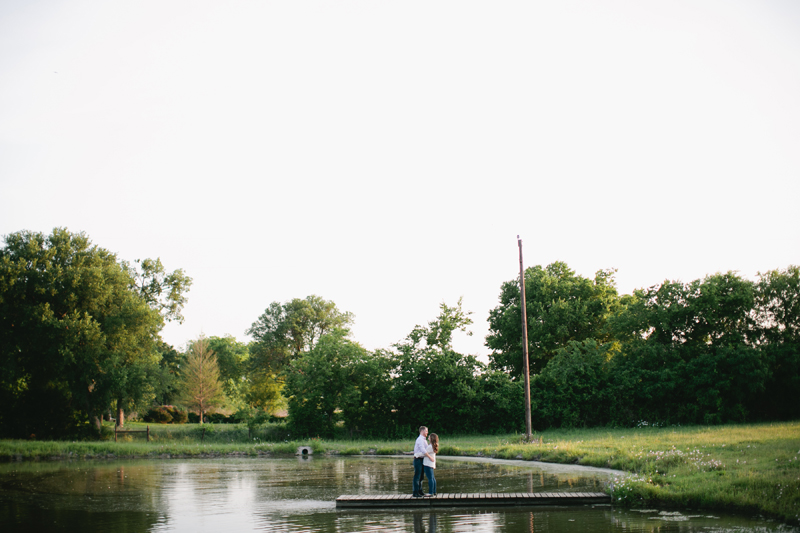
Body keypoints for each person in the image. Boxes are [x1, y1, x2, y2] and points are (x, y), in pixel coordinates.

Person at [412, 426, 428, 497]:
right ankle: (415, 492)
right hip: (418, 459)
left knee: (421, 476)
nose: (427, 432)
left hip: (422, 459)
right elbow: (423, 450)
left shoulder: (424, 440)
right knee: (417, 476)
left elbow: (427, 449)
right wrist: (430, 456)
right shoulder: (420, 439)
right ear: (422, 431)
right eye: (426, 431)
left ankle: (420, 491)